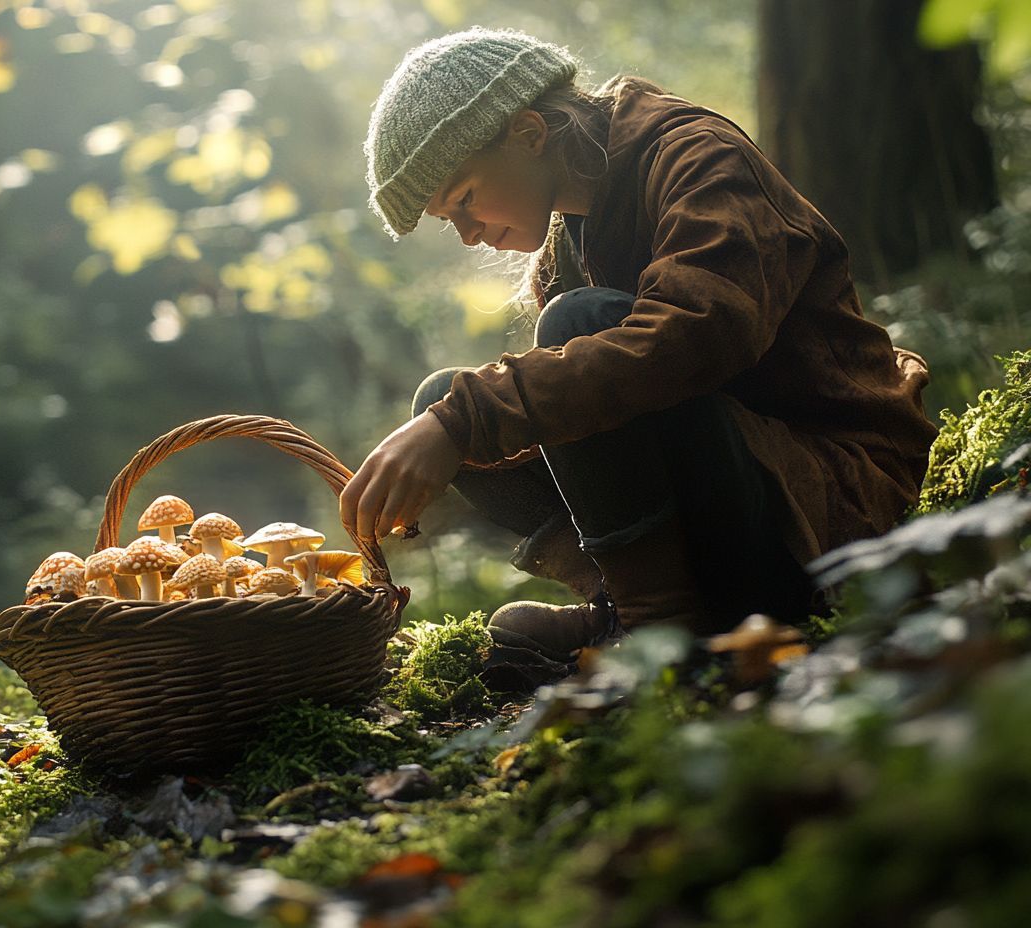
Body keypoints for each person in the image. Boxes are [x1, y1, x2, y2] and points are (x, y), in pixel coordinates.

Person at [338, 27, 938, 664]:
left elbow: (700, 333)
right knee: (445, 397)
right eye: (446, 219)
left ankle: (660, 634)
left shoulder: (699, 158)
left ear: (529, 134)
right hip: (727, 511)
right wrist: (457, 417)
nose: (464, 234)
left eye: (463, 200)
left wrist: (467, 418)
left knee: (569, 332)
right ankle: (631, 604)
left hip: (827, 514)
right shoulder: (567, 241)